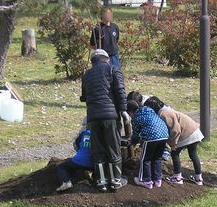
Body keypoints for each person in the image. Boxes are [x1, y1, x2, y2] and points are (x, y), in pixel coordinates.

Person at [80, 49, 129, 192]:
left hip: (93, 117)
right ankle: (116, 181)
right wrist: (123, 110)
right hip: (110, 116)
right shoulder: (113, 70)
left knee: (99, 149)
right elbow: (120, 90)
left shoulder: (86, 75)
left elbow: (83, 97)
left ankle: (101, 182)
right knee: (113, 147)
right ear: (106, 59)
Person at [144, 96, 204, 186]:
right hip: (194, 131)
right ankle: (198, 178)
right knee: (193, 154)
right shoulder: (165, 109)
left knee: (174, 153)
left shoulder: (164, 113)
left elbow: (175, 130)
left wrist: (173, 144)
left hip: (186, 133)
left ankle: (177, 177)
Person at [127, 100, 169, 189]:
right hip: (164, 135)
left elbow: (135, 135)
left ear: (130, 112)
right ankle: (157, 180)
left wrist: (132, 142)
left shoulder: (136, 118)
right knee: (157, 158)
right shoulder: (149, 110)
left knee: (145, 159)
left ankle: (146, 181)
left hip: (151, 137)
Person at [56, 117, 93, 192]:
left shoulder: (84, 133)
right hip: (96, 163)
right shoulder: (101, 134)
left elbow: (76, 144)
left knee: (61, 167)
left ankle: (66, 182)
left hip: (79, 160)